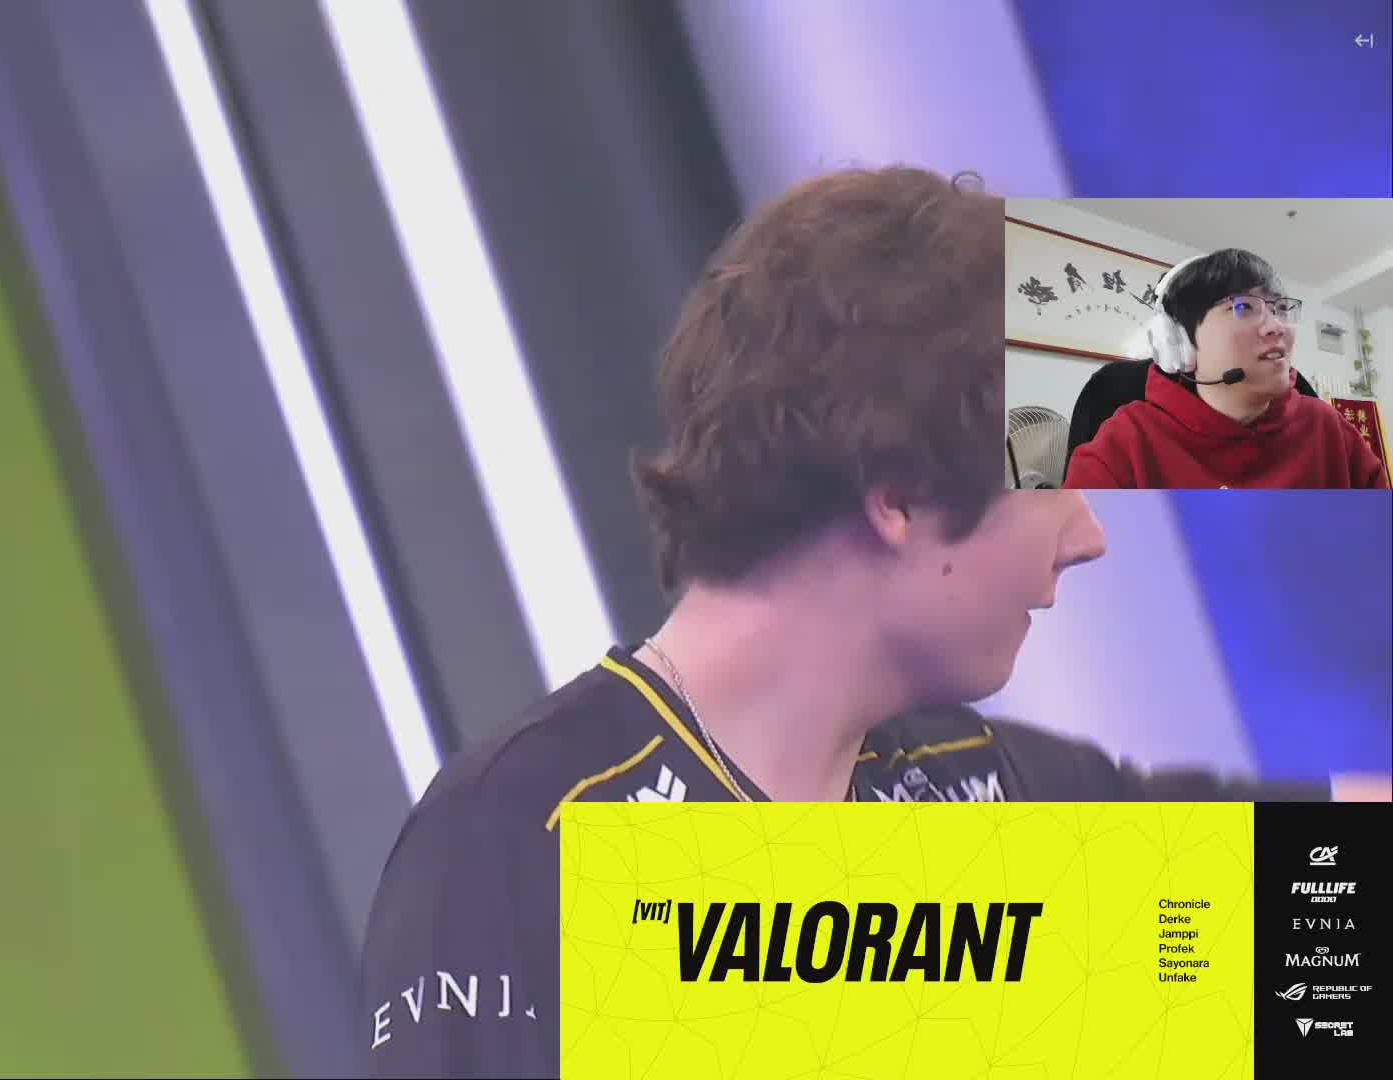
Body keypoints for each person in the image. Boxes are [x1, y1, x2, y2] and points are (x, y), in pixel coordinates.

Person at [359, 167, 1389, 1079]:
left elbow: (1330, 920)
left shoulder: (978, 786)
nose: (1087, 536)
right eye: (1054, 478)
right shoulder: (522, 848)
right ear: (898, 499)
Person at [1064, 248, 1386, 489]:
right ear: (1180, 341)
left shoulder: (1328, 428)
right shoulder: (1124, 446)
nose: (1276, 326)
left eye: (1280, 308)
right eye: (1243, 307)